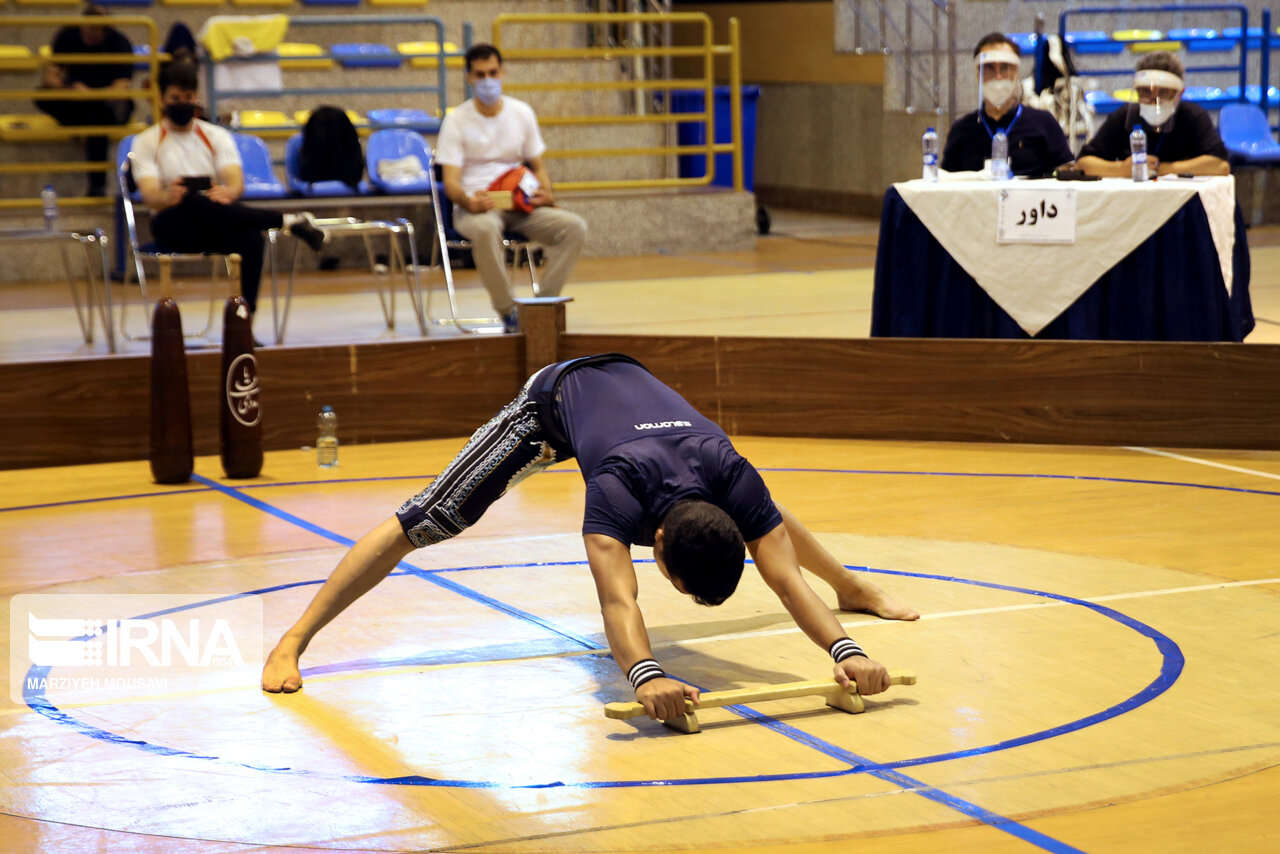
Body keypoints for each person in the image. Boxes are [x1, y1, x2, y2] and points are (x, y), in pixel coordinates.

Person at [262, 353, 919, 721]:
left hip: (650, 413)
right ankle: (295, 637)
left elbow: (782, 575)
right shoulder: (615, 492)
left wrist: (846, 650)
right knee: (433, 516)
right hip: (552, 404)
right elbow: (617, 602)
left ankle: (852, 590)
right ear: (658, 556)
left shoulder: (729, 470)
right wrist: (645, 674)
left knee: (762, 509)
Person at [130, 62, 327, 327]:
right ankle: (288, 221)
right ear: (162, 98)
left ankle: (245, 323)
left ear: (196, 97)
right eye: (176, 98)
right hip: (172, 225)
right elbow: (149, 195)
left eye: (188, 98)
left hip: (213, 221)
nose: (183, 103)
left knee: (250, 237)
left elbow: (236, 183)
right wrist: (170, 196)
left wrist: (225, 191)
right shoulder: (147, 141)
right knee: (190, 199)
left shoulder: (215, 136)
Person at [435, 44, 588, 334]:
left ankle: (542, 308)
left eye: (493, 72)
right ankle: (509, 314)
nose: (487, 80)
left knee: (574, 228)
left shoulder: (522, 113)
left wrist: (547, 192)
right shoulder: (456, 121)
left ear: (502, 72)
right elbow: (450, 183)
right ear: (469, 77)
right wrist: (468, 202)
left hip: (520, 205)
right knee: (485, 229)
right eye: (480, 75)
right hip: (478, 207)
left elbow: (538, 165)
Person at [34, 4, 136, 196]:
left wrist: (91, 94)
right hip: (75, 100)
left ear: (106, 30)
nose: (89, 35)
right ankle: (79, 121)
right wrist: (69, 90)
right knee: (42, 96)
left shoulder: (119, 42)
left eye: (95, 32)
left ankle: (97, 187)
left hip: (105, 104)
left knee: (97, 120)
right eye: (87, 29)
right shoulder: (67, 36)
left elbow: (121, 88)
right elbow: (49, 77)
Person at [941, 33, 1075, 177]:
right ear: (977, 74)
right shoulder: (961, 130)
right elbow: (945, 186)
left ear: (1016, 72)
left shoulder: (1044, 123)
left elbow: (1067, 175)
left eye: (1005, 67)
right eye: (989, 68)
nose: (998, 76)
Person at [1076, 52, 1229, 178]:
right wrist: (1123, 169)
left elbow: (1219, 165)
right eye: (1145, 91)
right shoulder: (1123, 116)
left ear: (1179, 93)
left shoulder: (1193, 116)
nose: (1154, 100)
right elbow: (1084, 163)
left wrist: (1163, 169)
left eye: (1163, 92)